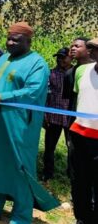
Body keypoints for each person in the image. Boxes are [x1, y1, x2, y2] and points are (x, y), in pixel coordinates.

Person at [0, 22, 58, 224]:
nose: (10, 42)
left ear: (28, 41)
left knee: (19, 166)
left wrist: (4, 96)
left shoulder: (37, 63)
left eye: (16, 40)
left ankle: (21, 216)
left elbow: (32, 92)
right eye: (9, 38)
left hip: (19, 124)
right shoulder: (3, 58)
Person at [69, 38, 98, 224]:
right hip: (79, 135)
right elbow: (77, 101)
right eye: (92, 48)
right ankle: (82, 218)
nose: (93, 51)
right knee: (79, 182)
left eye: (96, 48)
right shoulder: (81, 71)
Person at [41, 47, 72, 182]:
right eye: (58, 57)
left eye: (63, 57)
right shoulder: (51, 74)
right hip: (53, 117)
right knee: (49, 147)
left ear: (70, 58)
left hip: (71, 117)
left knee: (72, 148)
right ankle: (47, 173)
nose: (60, 60)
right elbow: (45, 95)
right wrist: (45, 114)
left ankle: (72, 174)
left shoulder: (75, 73)